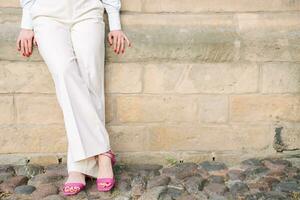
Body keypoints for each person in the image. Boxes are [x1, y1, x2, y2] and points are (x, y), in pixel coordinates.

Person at [16, 0, 131, 195]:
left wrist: (115, 24)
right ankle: (103, 152)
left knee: (91, 79)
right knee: (63, 72)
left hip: (88, 11)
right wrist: (26, 25)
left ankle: (78, 166)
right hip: (46, 15)